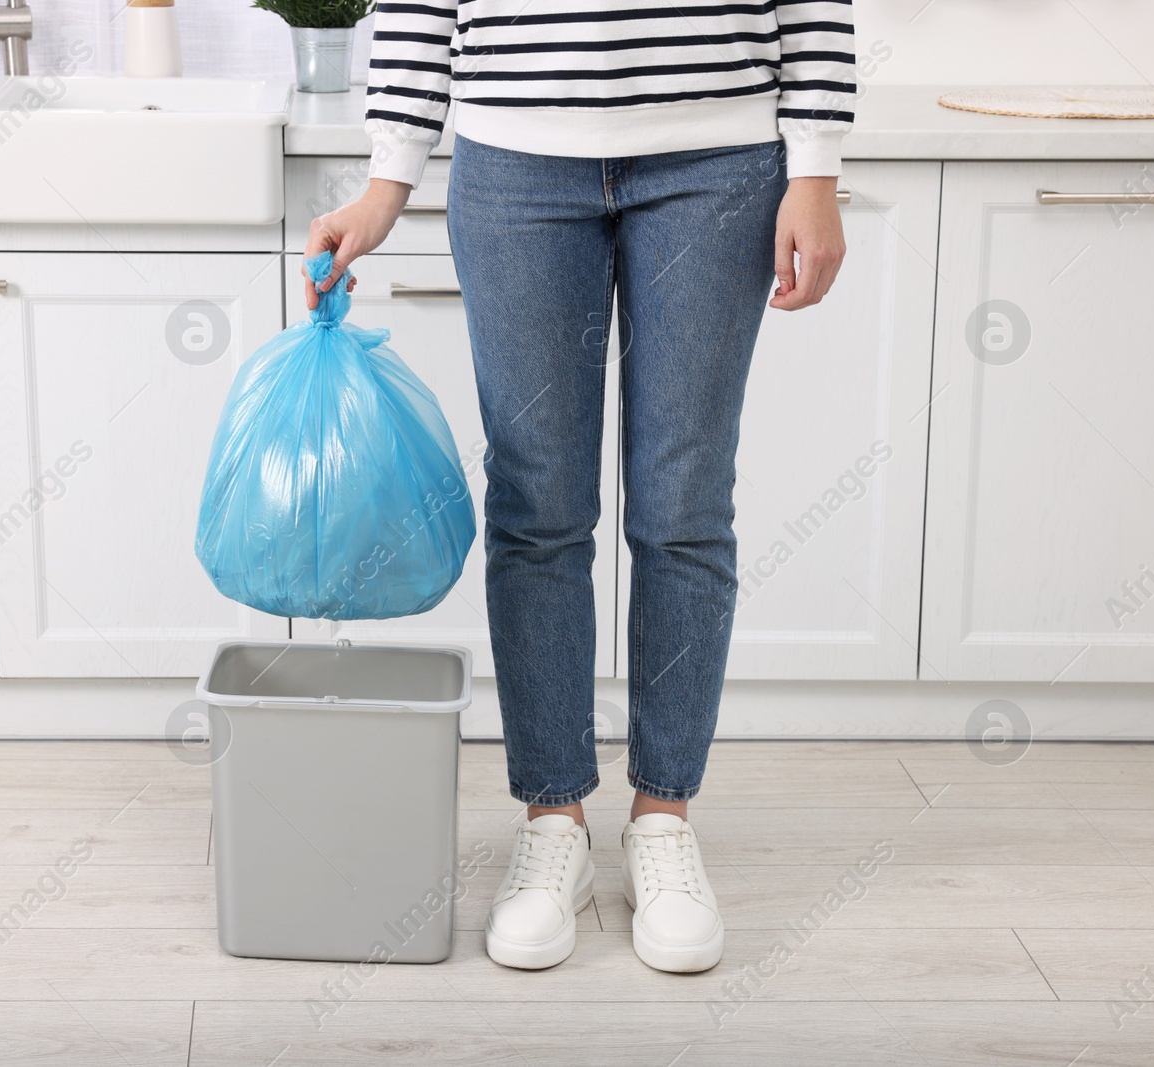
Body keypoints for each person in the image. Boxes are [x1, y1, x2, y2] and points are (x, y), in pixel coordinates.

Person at [303, 1, 852, 972]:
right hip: (514, 158)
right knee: (536, 506)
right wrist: (388, 178)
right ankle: (552, 819)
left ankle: (661, 820)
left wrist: (815, 166)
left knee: (681, 504)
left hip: (717, 155)